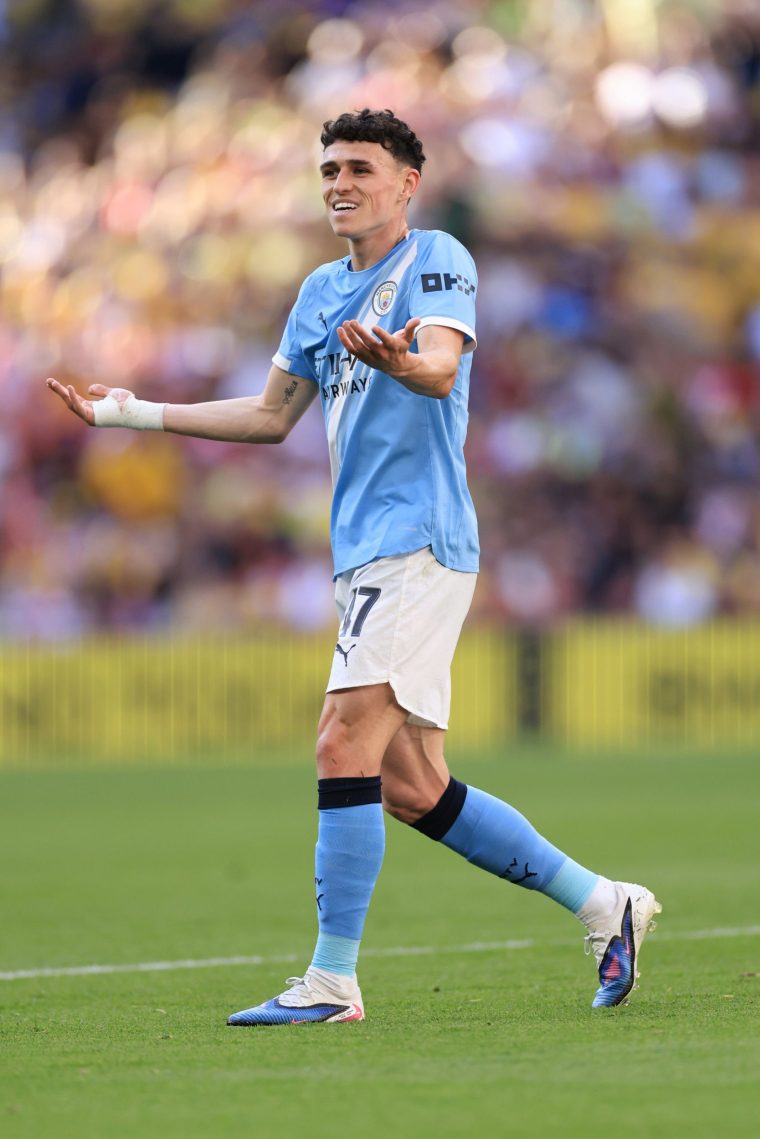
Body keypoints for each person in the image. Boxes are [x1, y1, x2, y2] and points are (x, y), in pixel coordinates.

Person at [47, 108, 661, 1024]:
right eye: (330, 169)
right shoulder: (319, 292)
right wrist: (129, 412)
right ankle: (606, 903)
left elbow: (442, 368)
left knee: (341, 740)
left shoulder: (436, 257)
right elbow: (269, 416)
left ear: (407, 183)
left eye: (360, 168)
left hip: (418, 540)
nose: (340, 183)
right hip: (364, 550)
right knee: (413, 786)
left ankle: (332, 979)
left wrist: (402, 361)